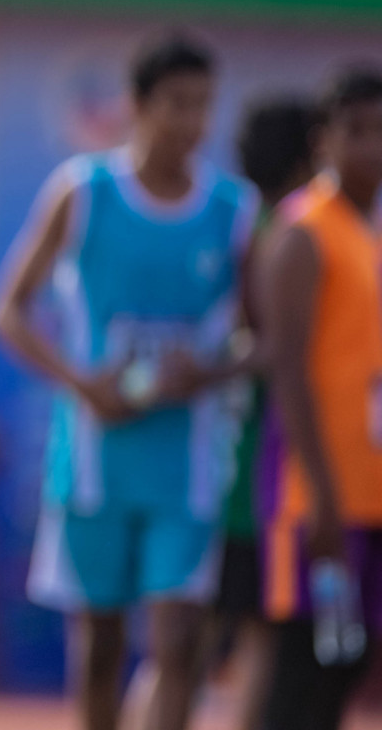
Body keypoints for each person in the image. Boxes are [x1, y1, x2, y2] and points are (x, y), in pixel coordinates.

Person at [0, 32, 258, 730]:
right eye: (177, 104)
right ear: (139, 105)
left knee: (178, 641)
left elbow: (262, 339)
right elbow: (8, 311)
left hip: (187, 466)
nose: (193, 122)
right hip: (93, 464)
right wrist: (84, 383)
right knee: (100, 650)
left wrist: (212, 368)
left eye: (204, 106)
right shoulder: (84, 193)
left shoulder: (234, 211)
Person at [257, 67, 382, 730]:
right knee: (303, 680)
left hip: (368, 496)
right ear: (323, 141)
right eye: (355, 132)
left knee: (341, 674)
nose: (371, 149)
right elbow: (289, 370)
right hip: (319, 505)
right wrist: (324, 499)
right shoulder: (305, 232)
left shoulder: (368, 234)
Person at [211, 99, 318, 730]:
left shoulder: (236, 223)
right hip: (256, 470)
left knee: (196, 643)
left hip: (226, 461)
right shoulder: (287, 231)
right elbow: (270, 344)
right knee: (257, 637)